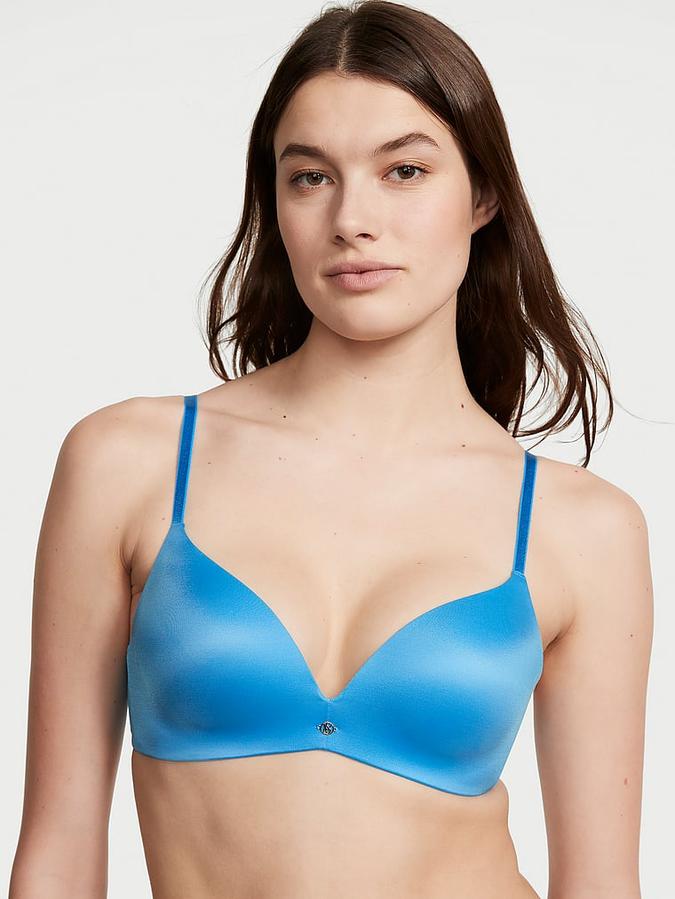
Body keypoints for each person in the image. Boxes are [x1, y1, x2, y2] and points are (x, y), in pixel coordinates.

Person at [9, 2, 653, 897]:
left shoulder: (582, 527)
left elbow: (602, 885)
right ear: (274, 203)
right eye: (309, 177)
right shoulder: (128, 462)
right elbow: (57, 848)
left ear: (482, 195)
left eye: (404, 170)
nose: (353, 218)